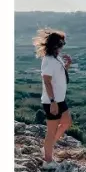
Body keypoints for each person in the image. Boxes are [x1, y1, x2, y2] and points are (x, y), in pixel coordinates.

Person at [33, 29, 73, 164]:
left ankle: (47, 148)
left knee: (66, 122)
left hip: (60, 99)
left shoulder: (56, 58)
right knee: (51, 131)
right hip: (52, 101)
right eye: (62, 43)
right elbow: (47, 81)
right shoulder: (49, 60)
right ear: (56, 44)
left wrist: (67, 66)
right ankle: (48, 161)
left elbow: (58, 75)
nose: (63, 45)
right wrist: (52, 101)